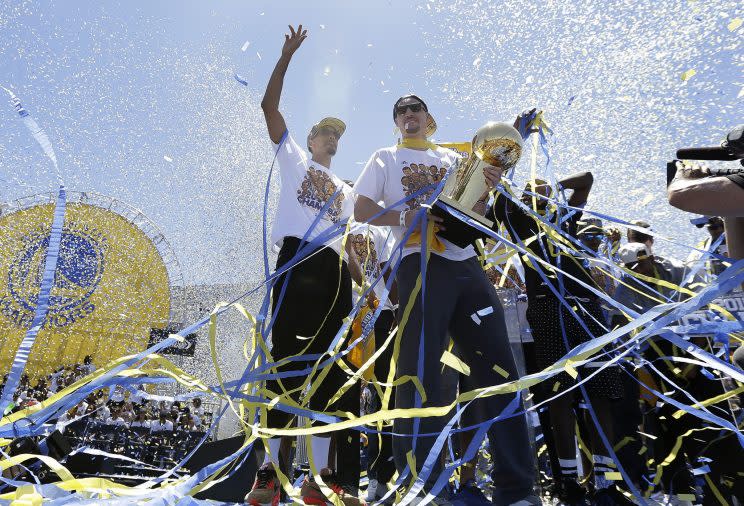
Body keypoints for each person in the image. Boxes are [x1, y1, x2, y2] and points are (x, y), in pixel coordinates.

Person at [354, 94, 538, 505]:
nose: (408, 114)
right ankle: (421, 483)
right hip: (419, 261)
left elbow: (473, 207)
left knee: (501, 372)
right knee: (418, 370)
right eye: (400, 111)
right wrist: (406, 217)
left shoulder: (454, 159)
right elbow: (363, 209)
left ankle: (518, 488)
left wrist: (487, 184)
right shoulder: (385, 157)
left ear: (428, 117)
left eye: (415, 107)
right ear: (396, 122)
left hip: (466, 264)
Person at [245, 24, 366, 506]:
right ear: (311, 137)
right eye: (325, 130)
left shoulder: (350, 191)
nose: (332, 136)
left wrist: (365, 282)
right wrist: (285, 57)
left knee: (330, 373)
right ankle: (270, 476)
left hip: (335, 275)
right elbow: (268, 108)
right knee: (287, 367)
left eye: (337, 133)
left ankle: (319, 479)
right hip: (296, 260)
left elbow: (357, 248)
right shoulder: (293, 156)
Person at [478, 172, 630, 505]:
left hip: (588, 311)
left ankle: (606, 483)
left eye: (542, 190)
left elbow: (587, 180)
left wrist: (553, 188)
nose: (539, 194)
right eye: (533, 192)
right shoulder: (520, 223)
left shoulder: (565, 218)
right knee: (560, 398)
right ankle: (569, 483)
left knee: (602, 395)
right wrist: (519, 185)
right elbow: (500, 205)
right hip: (547, 311)